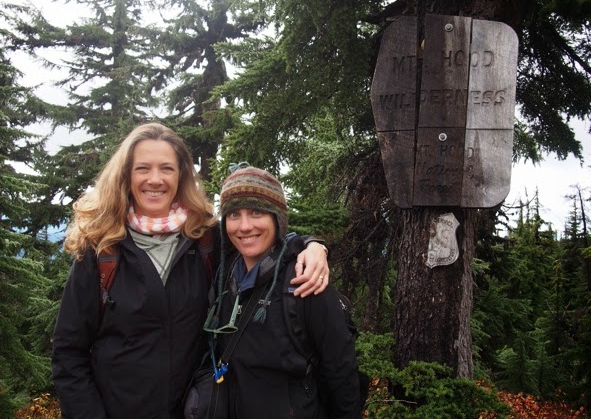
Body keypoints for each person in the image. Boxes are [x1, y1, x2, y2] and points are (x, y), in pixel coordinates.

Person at [51, 123, 330, 418]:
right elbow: (69, 352)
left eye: (167, 169)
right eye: (143, 168)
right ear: (126, 175)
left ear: (181, 175)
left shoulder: (206, 238)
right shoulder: (101, 249)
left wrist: (313, 246)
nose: (155, 179)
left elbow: (264, 242)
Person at [202, 163, 360, 418]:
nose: (244, 226)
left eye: (256, 212)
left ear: (277, 218)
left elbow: (342, 376)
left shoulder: (305, 281)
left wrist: (314, 246)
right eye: (234, 214)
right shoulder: (225, 274)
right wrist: (313, 243)